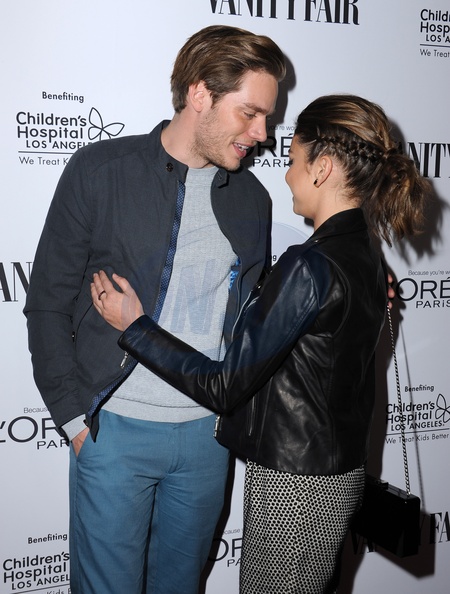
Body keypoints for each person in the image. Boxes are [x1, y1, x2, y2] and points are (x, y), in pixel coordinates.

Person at [90, 94, 428, 594]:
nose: (286, 175)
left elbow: (224, 388)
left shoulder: (311, 265)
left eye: (294, 160)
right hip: (337, 476)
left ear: (322, 168)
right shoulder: (365, 256)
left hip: (295, 487)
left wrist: (136, 326)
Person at [24, 25, 286, 594]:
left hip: (206, 440)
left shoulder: (252, 199)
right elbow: (46, 303)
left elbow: (254, 313)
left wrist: (347, 277)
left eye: (266, 118)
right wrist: (73, 420)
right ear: (200, 94)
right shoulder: (102, 171)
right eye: (249, 113)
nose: (262, 134)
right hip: (114, 433)